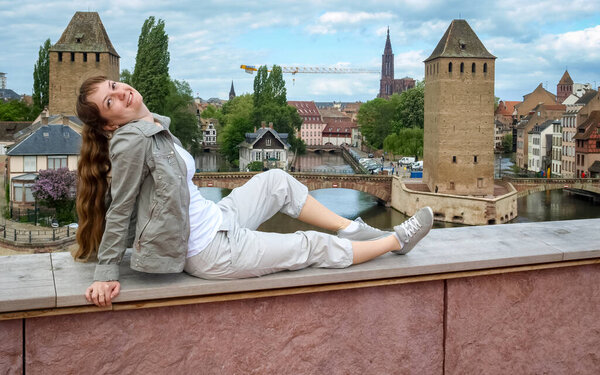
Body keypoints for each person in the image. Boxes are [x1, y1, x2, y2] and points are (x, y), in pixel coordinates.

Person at [75, 76, 434, 307]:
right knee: (308, 245)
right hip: (209, 250)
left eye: (114, 85)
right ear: (109, 124)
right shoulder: (129, 139)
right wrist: (105, 273)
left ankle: (352, 229)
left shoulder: (154, 127)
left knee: (276, 181)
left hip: (217, 219)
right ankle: (396, 242)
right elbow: (120, 206)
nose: (121, 93)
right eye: (111, 101)